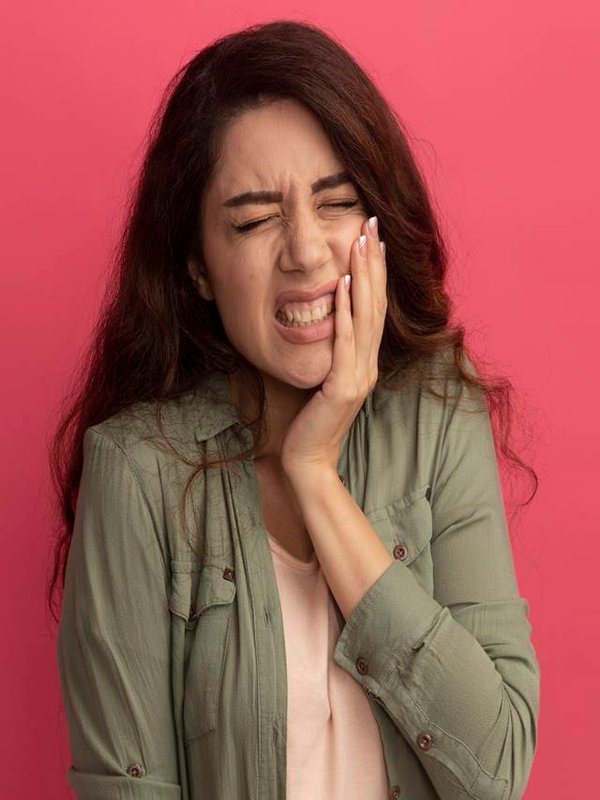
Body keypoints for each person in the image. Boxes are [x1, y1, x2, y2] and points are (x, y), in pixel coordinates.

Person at [49, 19, 541, 800]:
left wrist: (315, 473)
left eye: (336, 203)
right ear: (198, 267)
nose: (306, 251)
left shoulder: (439, 413)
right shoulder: (136, 472)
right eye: (253, 220)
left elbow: (495, 768)